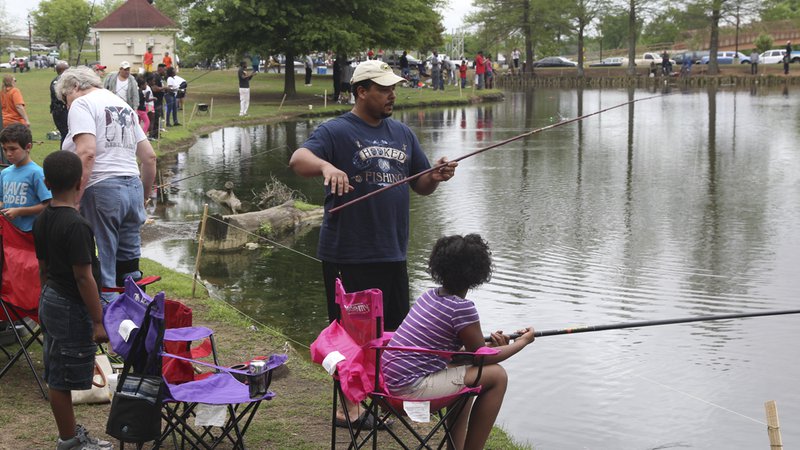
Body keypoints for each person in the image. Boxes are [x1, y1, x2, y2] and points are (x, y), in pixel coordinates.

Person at [290, 59, 457, 427]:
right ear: (361, 91)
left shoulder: (402, 133)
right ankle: (347, 410)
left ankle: (382, 401)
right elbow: (299, 159)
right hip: (347, 253)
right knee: (347, 336)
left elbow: (421, 184)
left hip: (392, 251)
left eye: (393, 88)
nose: (392, 94)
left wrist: (437, 175)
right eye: (383, 88)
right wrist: (326, 168)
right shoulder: (336, 130)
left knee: (393, 333)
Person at [382, 234, 535, 450]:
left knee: (470, 373)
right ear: (477, 272)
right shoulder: (462, 308)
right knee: (497, 376)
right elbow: (481, 357)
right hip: (409, 389)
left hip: (388, 382)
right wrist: (522, 343)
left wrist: (492, 347)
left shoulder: (429, 296)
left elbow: (468, 354)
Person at [33, 150, 112, 450]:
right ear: (81, 182)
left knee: (56, 372)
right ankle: (69, 440)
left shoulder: (42, 219)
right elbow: (84, 278)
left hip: (50, 298)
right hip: (69, 305)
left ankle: (69, 434)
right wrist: (97, 320)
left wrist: (44, 300)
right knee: (63, 377)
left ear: (46, 181)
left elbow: (43, 268)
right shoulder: (78, 226)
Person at [55, 66, 157, 294]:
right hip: (132, 186)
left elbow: (87, 152)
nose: (66, 105)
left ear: (74, 87)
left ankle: (106, 322)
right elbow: (149, 157)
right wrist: (142, 198)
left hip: (101, 189)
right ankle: (135, 316)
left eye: (65, 98)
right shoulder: (123, 105)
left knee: (105, 267)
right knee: (130, 265)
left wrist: (75, 198)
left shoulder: (82, 103)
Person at [0, 124, 52, 231]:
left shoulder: (37, 173)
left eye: (13, 149)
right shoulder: (4, 173)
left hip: (31, 233)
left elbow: (48, 204)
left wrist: (20, 211)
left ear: (28, 147)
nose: (8, 154)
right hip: (9, 232)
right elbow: (2, 200)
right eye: (5, 149)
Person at [50, 61, 70, 145]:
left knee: (64, 134)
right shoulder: (62, 81)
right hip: (63, 110)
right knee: (67, 135)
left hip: (56, 111)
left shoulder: (54, 81)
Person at [148, 64, 167, 139]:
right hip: (155, 101)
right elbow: (154, 88)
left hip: (160, 100)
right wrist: (164, 88)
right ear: (160, 69)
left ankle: (157, 134)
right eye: (164, 70)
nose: (165, 71)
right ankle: (154, 135)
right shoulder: (155, 76)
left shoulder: (160, 78)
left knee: (158, 118)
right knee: (155, 118)